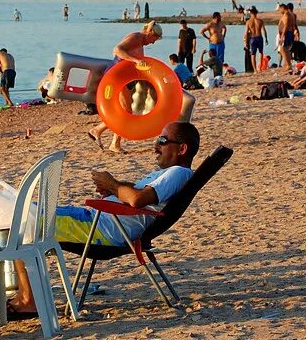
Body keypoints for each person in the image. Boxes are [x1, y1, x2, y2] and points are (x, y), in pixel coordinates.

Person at [10, 122, 200, 314]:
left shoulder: (177, 173)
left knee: (22, 220)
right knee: (28, 211)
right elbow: (139, 192)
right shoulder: (171, 174)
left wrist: (112, 183)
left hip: (103, 229)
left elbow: (136, 199)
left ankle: (28, 300)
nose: (155, 145)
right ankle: (26, 295)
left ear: (182, 148)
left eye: (162, 140)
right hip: (100, 222)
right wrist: (113, 188)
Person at [89, 21, 164, 153]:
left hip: (123, 79)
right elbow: (117, 50)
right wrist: (136, 60)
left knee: (124, 111)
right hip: (115, 77)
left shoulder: (140, 41)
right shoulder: (135, 37)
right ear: (150, 33)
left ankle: (100, 132)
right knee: (125, 112)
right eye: (154, 39)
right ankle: (112, 142)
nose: (153, 43)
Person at [243, 6, 268, 72]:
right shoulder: (260, 21)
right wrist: (266, 38)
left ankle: (255, 70)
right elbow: (264, 30)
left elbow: (246, 33)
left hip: (252, 38)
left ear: (250, 13)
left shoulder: (248, 22)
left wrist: (245, 42)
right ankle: (259, 68)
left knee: (253, 54)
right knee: (261, 53)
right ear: (256, 12)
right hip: (259, 37)